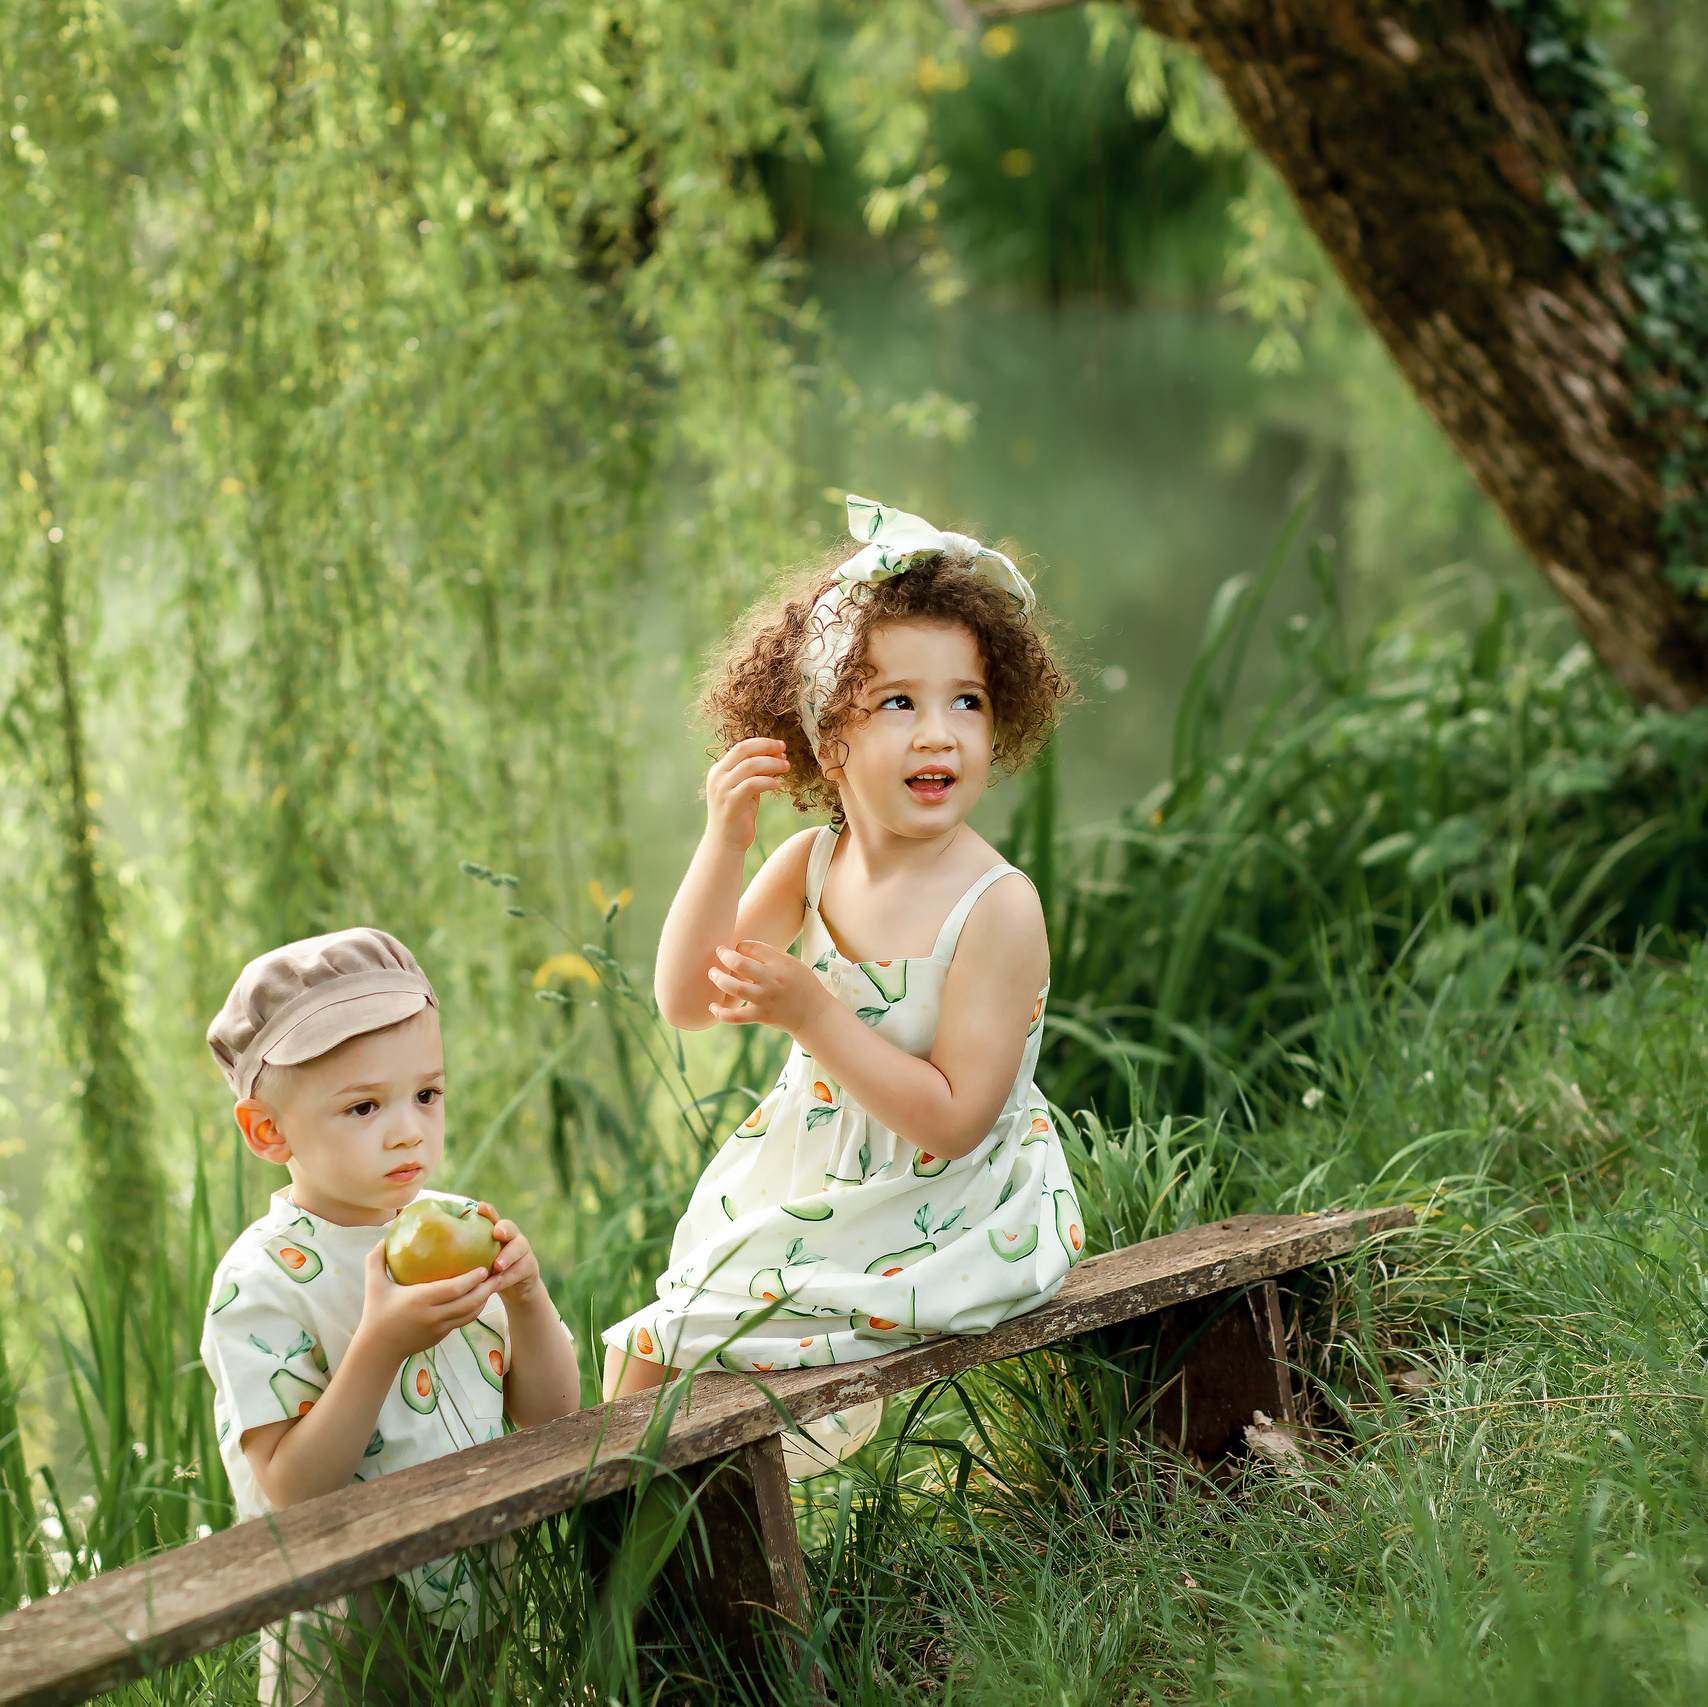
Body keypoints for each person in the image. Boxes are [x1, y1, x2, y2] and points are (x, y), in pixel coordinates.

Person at [602, 495, 1086, 1474]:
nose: (939, 734)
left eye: (966, 701)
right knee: (657, 1337)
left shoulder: (996, 905)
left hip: (952, 1203)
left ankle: (667, 1532)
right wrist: (724, 842)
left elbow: (954, 1122)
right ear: (830, 741)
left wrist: (813, 1014)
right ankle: (644, 1534)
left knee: (682, 1333)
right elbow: (688, 1000)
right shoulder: (812, 866)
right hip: (822, 1172)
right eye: (898, 703)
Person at [200, 928, 580, 1706]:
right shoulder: (261, 1282)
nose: (408, 1128)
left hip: (481, 1595)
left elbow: (551, 1414)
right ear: (269, 1130)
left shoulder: (454, 1225)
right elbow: (294, 1489)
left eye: (427, 1094)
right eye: (364, 1105)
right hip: (343, 1626)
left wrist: (526, 1296)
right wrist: (379, 1345)